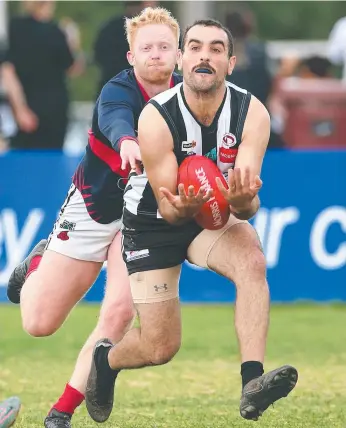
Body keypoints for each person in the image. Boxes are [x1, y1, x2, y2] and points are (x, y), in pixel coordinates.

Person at [85, 19, 298, 423]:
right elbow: (168, 208)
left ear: (230, 63)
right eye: (195, 47)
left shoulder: (251, 113)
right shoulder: (155, 116)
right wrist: (183, 205)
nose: (205, 56)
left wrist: (243, 201)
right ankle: (106, 361)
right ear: (181, 59)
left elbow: (248, 205)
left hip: (210, 213)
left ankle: (252, 382)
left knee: (252, 260)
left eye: (216, 49)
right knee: (160, 347)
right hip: (153, 218)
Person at [6, 7, 181, 428]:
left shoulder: (189, 97)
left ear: (178, 55)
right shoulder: (117, 90)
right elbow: (115, 119)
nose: (155, 55)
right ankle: (36, 265)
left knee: (120, 311)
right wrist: (127, 142)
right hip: (94, 208)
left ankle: (60, 412)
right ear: (130, 56)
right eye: (146, 48)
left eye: (164, 47)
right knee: (38, 323)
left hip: (143, 219)